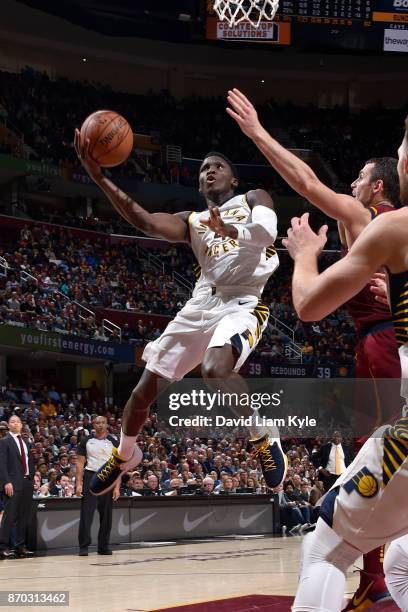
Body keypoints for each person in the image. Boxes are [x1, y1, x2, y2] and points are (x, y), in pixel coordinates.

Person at [227, 87, 401, 609]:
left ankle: (369, 571)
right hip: (385, 344)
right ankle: (381, 564)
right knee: (378, 456)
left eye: (359, 176)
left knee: (378, 451)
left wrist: (257, 132)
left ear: (377, 187)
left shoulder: (362, 215)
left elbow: (304, 181)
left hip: (383, 345)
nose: (350, 183)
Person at [73, 129, 287, 497]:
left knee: (215, 369)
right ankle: (125, 455)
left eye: (217, 166)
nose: (209, 170)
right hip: (202, 302)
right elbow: (144, 220)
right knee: (142, 393)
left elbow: (267, 233)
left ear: (232, 178)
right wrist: (99, 177)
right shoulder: (193, 221)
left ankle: (262, 434)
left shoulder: (254, 197)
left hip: (243, 301)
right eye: (204, 168)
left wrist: (231, 228)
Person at [282, 115, 408, 612]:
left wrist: (305, 254)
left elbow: (309, 305)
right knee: (399, 557)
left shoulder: (391, 225)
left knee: (324, 549)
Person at [75, 416, 120, 556]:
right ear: (93, 425)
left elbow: (119, 465)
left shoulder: (114, 442)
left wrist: (117, 487)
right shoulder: (86, 441)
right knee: (86, 514)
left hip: (108, 478)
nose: (100, 425)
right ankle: (83, 546)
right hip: (91, 477)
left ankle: (103, 546)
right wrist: (79, 484)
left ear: (107, 425)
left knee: (106, 515)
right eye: (97, 423)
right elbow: (80, 463)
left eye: (103, 423)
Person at [0, 415, 35, 558]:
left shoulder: (26, 442)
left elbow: (28, 461)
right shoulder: (4, 441)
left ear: (21, 425)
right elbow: (1, 464)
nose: (15, 424)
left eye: (18, 422)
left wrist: (32, 478)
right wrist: (6, 482)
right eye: (12, 422)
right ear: (8, 425)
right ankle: (2, 546)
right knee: (9, 516)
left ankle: (19, 546)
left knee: (23, 516)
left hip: (27, 482)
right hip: (12, 483)